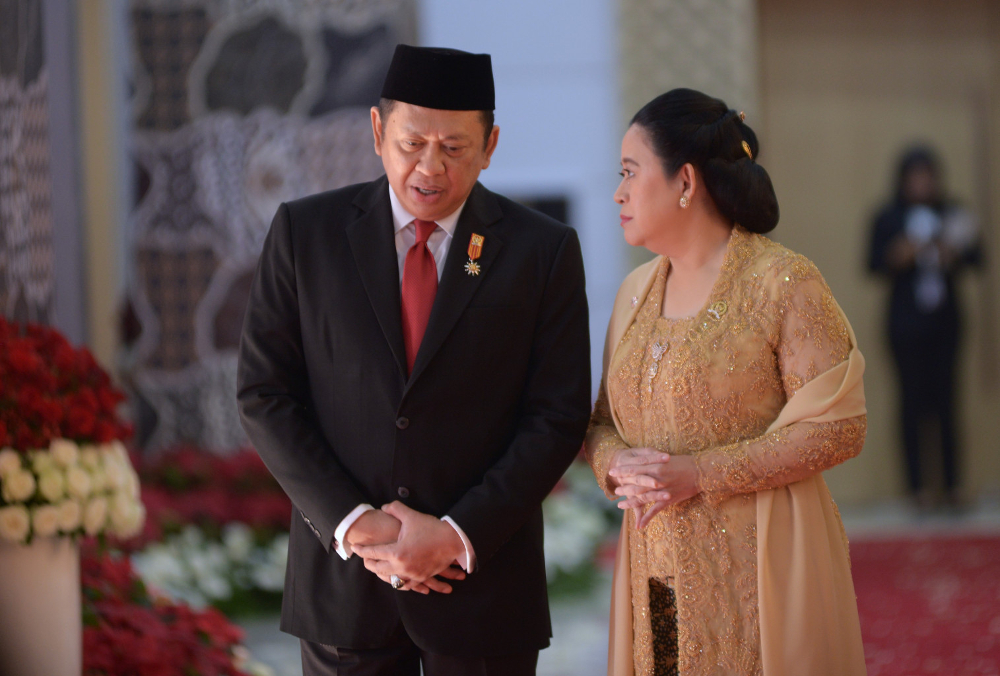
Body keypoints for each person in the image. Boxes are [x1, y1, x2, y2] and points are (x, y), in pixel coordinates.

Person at [237, 45, 591, 676]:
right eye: (412, 143)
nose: (431, 168)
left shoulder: (541, 250)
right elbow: (265, 394)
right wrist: (356, 523)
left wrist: (455, 533)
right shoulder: (305, 234)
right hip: (347, 591)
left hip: (482, 590)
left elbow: (557, 416)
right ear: (377, 131)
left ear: (490, 145)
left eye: (455, 148)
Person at [585, 89, 868, 675]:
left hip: (762, 564)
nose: (618, 191)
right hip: (658, 566)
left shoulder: (781, 282)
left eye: (631, 173)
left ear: (684, 180)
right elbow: (601, 423)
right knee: (668, 666)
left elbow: (839, 427)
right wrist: (618, 465)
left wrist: (698, 474)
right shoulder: (635, 293)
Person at [868, 147, 981, 509]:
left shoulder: (953, 211)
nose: (922, 183)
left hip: (946, 323)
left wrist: (955, 253)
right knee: (910, 403)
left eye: (928, 176)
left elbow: (979, 256)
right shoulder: (888, 216)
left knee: (948, 403)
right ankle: (916, 488)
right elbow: (872, 264)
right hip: (905, 325)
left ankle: (952, 486)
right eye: (915, 177)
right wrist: (899, 254)